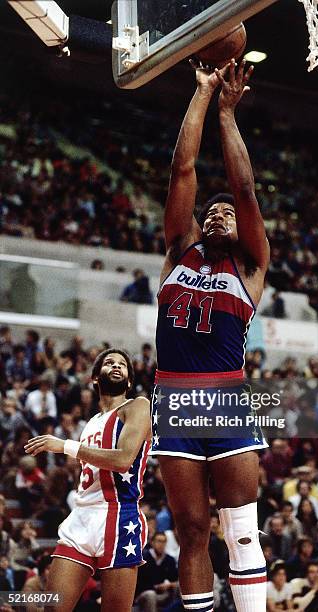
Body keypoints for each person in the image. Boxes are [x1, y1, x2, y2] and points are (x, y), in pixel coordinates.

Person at [151, 58, 270, 612]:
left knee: (241, 530)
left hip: (225, 395)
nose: (220, 214)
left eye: (228, 213)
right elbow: (182, 171)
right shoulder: (179, 251)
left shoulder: (249, 267)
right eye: (211, 211)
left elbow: (244, 188)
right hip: (173, 397)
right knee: (192, 532)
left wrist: (227, 112)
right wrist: (200, 94)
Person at [24, 349, 151, 612]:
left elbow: (123, 460)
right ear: (95, 378)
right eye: (108, 363)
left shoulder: (137, 406)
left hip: (118, 517)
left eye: (122, 365)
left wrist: (65, 446)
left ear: (128, 380)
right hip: (82, 515)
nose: (116, 366)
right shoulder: (92, 421)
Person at [135, 531, 179, 611]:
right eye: (159, 541)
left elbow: (176, 580)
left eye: (164, 542)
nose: (161, 544)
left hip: (164, 593)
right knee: (151, 595)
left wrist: (170, 585)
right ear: (152, 542)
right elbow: (139, 583)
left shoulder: (169, 559)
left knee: (178, 587)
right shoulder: (143, 558)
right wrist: (156, 587)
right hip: (145, 594)